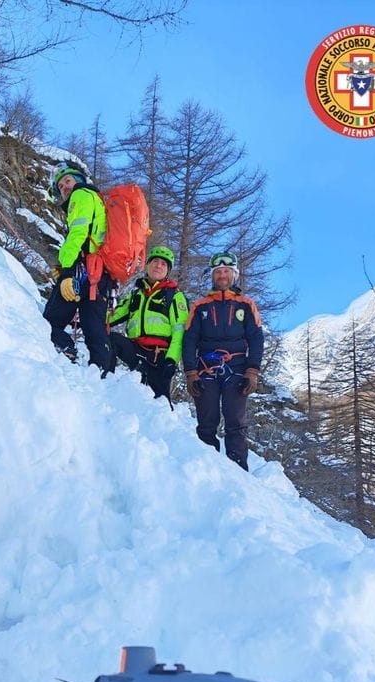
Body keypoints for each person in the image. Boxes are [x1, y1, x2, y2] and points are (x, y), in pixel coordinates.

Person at [182, 251, 263, 470]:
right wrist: (190, 373)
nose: (222, 275)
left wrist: (252, 371)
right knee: (207, 422)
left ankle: (238, 471)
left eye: (226, 271)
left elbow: (256, 339)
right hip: (206, 369)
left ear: (234, 275)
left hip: (237, 369)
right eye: (218, 272)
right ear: (212, 275)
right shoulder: (200, 307)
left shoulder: (246, 305)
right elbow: (189, 340)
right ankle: (206, 470)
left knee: (235, 422)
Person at [43, 164, 112, 374]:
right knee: (94, 327)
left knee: (47, 323)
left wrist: (66, 271)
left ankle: (66, 349)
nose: (64, 186)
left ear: (79, 181)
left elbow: (78, 235)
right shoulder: (95, 199)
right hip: (99, 273)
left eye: (68, 181)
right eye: (61, 185)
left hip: (82, 270)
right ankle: (102, 372)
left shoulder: (80, 195)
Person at [107, 246, 189, 401]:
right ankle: (105, 383)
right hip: (136, 350)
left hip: (159, 357)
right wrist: (88, 315)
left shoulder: (175, 297)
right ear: (147, 265)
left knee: (161, 404)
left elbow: (180, 331)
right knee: (111, 339)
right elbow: (112, 317)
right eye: (155, 261)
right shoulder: (135, 294)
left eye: (164, 264)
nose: (158, 265)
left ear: (168, 270)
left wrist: (172, 360)